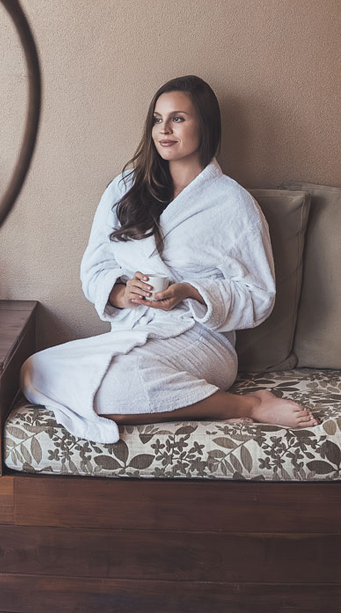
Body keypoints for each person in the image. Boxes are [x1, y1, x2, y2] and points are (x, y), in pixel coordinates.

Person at [20, 75, 317, 444]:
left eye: (178, 118)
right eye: (158, 119)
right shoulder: (125, 189)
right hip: (133, 330)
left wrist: (191, 291)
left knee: (112, 387)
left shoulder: (233, 204)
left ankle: (247, 406)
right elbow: (94, 267)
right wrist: (120, 293)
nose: (164, 129)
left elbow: (259, 296)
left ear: (204, 126)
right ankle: (149, 384)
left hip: (199, 338)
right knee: (35, 370)